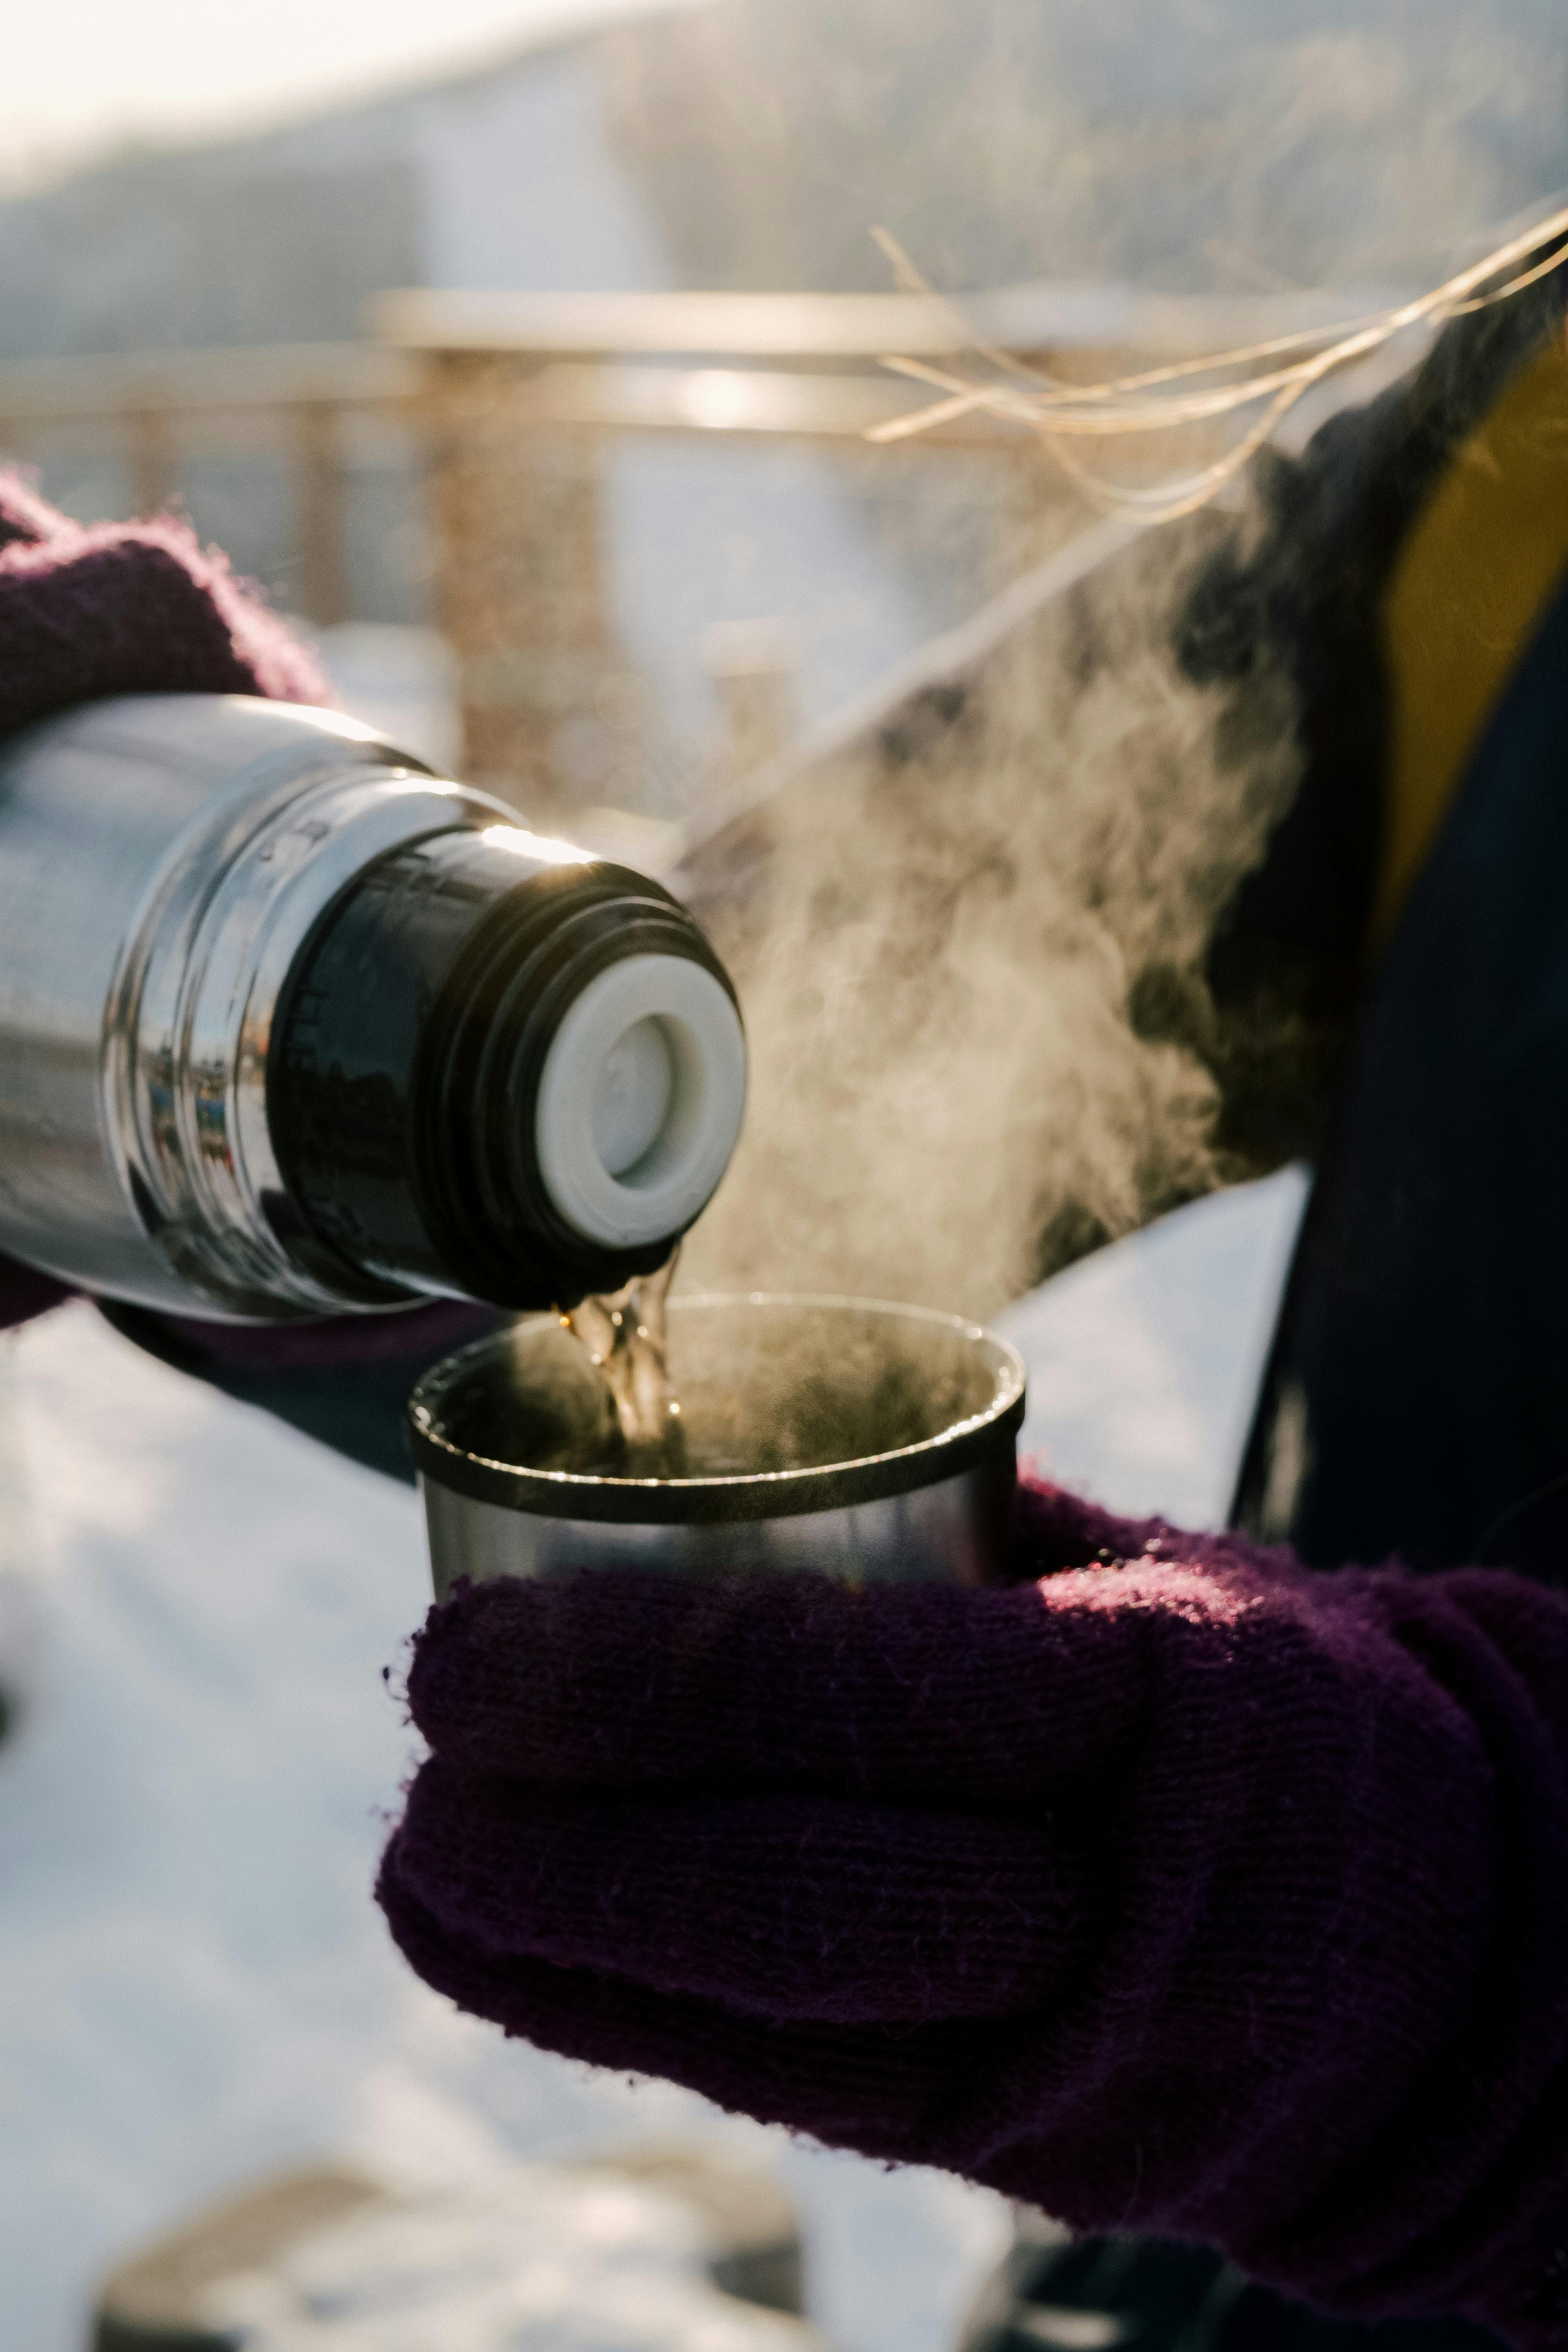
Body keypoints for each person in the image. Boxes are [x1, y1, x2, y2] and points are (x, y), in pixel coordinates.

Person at [5, 252, 1568, 2352]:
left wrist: (1485, 1979)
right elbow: (739, 1101)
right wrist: (166, 933)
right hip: (1194, 2287)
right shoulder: (1523, 441)